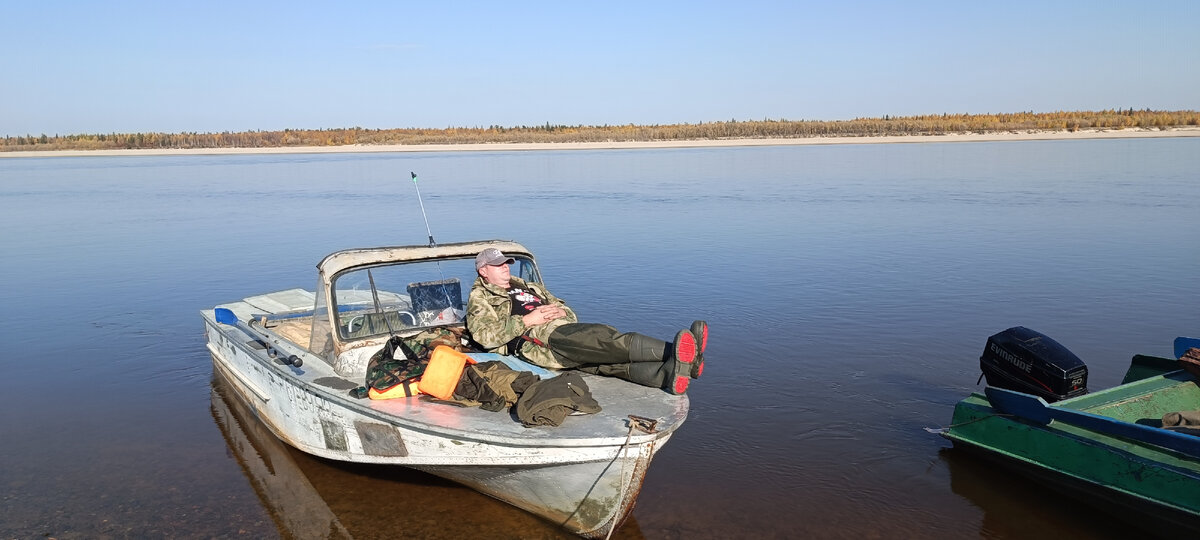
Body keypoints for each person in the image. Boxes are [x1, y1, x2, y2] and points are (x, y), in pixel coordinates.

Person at [466, 247, 708, 395]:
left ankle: (669, 374)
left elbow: (563, 306)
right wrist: (527, 320)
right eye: (498, 265)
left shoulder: (529, 286)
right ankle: (679, 352)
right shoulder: (480, 296)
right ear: (483, 271)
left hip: (561, 330)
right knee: (602, 338)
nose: (506, 268)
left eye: (507, 263)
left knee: (609, 365)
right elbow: (484, 337)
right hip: (541, 340)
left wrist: (563, 313)